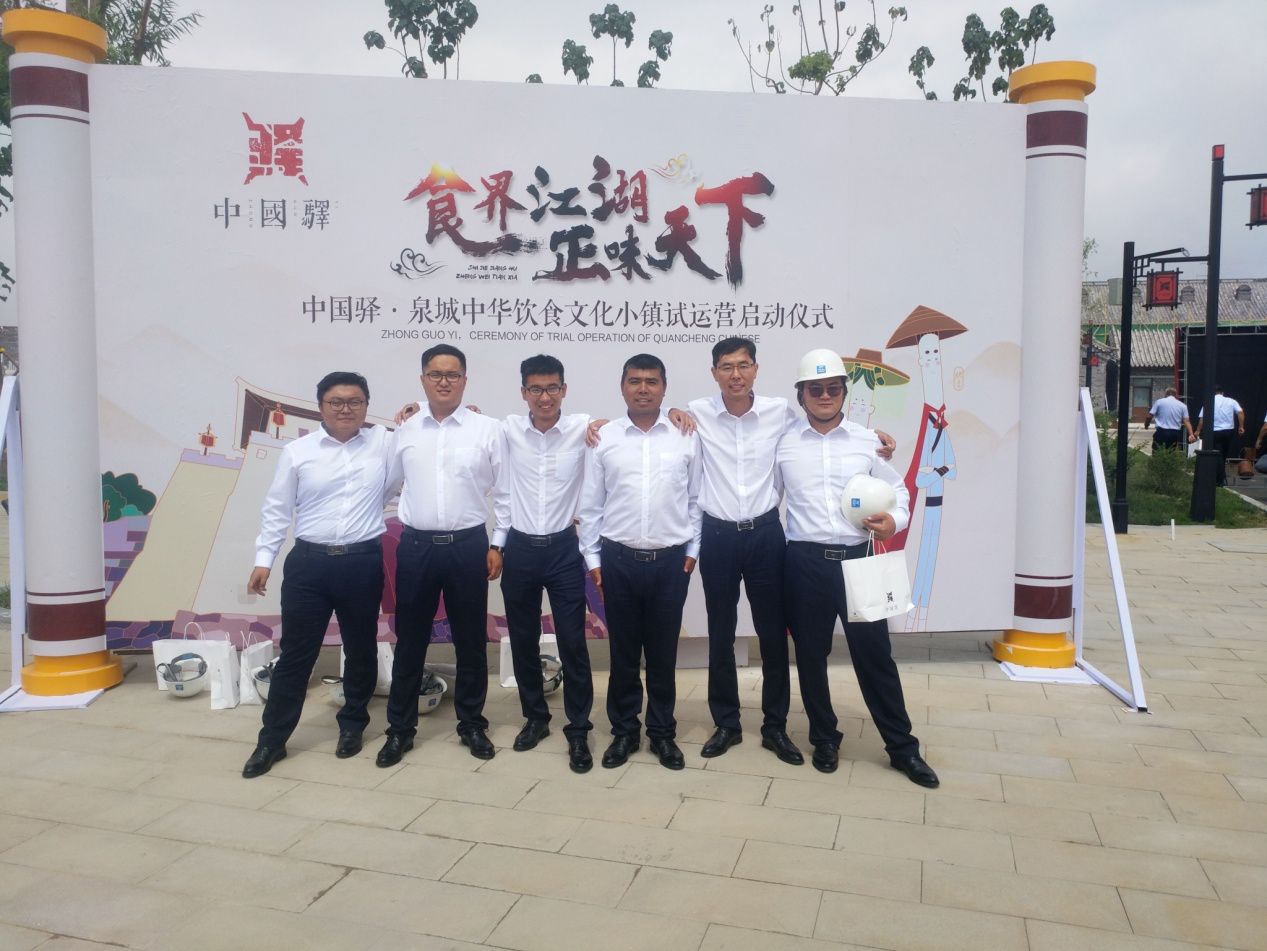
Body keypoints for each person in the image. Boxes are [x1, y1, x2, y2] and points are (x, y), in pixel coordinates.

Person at [690, 337, 898, 766]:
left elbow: (889, 483)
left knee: (778, 638)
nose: (735, 374)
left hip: (776, 538)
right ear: (714, 373)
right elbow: (657, 421)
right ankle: (727, 723)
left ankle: (777, 727)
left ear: (756, 369)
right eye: (726, 367)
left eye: (743, 365)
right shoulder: (696, 414)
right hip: (724, 537)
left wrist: (893, 507)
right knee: (722, 634)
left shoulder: (786, 418)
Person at [776, 348, 939, 788]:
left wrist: (894, 521)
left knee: (875, 657)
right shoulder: (784, 443)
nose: (824, 395)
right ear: (801, 394)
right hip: (804, 562)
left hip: (859, 559)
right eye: (815, 388)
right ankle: (824, 739)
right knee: (811, 657)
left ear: (844, 392)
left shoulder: (868, 442)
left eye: (833, 388)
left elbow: (898, 493)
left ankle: (903, 749)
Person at [243, 371, 392, 778]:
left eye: (355, 401)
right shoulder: (298, 451)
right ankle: (272, 741)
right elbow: (277, 508)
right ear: (320, 406)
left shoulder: (383, 443)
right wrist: (264, 558)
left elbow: (427, 434)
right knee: (296, 654)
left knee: (360, 648)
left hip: (361, 562)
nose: (346, 409)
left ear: (366, 406)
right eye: (336, 402)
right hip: (309, 565)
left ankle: (353, 725)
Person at [377, 344, 510, 767]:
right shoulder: (404, 430)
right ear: (423, 380)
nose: (444, 382)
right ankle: (400, 729)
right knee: (410, 641)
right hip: (417, 547)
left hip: (468, 546)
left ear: (465, 380)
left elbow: (505, 493)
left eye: (452, 375)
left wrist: (497, 543)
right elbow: (387, 485)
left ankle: (471, 724)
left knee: (470, 641)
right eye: (435, 374)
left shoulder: (487, 429)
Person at [578, 353, 701, 770]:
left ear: (664, 388)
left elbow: (696, 500)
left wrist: (692, 553)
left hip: (671, 563)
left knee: (663, 655)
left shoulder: (686, 435)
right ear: (622, 387)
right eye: (635, 381)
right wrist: (593, 559)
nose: (643, 389)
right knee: (624, 654)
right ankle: (625, 732)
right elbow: (591, 505)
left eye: (652, 381)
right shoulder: (604, 438)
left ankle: (662, 733)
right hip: (618, 561)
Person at [494, 354, 596, 773]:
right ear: (524, 393)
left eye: (552, 387)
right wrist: (414, 408)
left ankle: (579, 728)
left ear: (564, 389)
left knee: (573, 641)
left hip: (564, 550)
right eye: (535, 389)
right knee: (523, 639)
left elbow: (627, 428)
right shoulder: (507, 430)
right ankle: (535, 717)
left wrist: (676, 412)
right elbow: (466, 425)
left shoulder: (583, 428)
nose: (545, 397)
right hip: (520, 549)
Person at [1193, 384, 1245, 486]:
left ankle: (1220, 478)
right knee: (1223, 454)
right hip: (1228, 430)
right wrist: (1241, 426)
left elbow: (1203, 418)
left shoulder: (1209, 402)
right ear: (1222, 392)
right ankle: (1220, 476)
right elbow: (1240, 412)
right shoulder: (1231, 401)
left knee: (1217, 454)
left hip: (1215, 431)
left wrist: (1198, 430)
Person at [1145, 387, 1193, 452]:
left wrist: (1146, 424)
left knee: (1157, 451)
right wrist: (1191, 434)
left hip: (1161, 432)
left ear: (1165, 394)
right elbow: (1186, 421)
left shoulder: (1159, 402)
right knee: (1171, 451)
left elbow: (1149, 416)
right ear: (1176, 395)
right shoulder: (1183, 406)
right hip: (1174, 433)